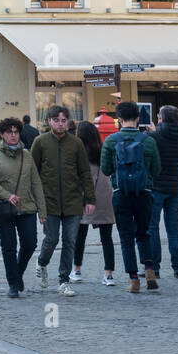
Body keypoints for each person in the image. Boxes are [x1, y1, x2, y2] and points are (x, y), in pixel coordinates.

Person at [30, 105, 96, 297]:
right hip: (48, 201)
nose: (60, 124)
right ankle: (42, 263)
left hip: (73, 201)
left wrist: (90, 199)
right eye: (57, 120)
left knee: (69, 241)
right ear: (49, 121)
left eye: (63, 120)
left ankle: (64, 280)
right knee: (51, 239)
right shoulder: (40, 142)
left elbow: (85, 172)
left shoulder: (76, 144)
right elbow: (32, 172)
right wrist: (35, 199)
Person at [101, 100, 162, 293]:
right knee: (144, 233)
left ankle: (134, 280)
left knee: (126, 238)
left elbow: (106, 169)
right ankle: (150, 270)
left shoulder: (111, 141)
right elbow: (157, 170)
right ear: (137, 118)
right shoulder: (149, 141)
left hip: (121, 194)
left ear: (119, 119)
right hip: (144, 193)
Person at [0, 117, 46, 298]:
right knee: (9, 247)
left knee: (30, 243)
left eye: (16, 132)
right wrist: (7, 195)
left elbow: (36, 184)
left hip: (26, 207)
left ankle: (17, 273)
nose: (13, 135)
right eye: (9, 132)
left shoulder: (27, 156)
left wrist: (43, 210)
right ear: (1, 135)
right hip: (3, 208)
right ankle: (13, 283)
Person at [73, 121, 117, 286]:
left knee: (80, 237)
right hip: (105, 198)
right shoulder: (103, 151)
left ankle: (76, 269)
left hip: (85, 198)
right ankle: (108, 274)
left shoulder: (79, 153)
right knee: (107, 238)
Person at [147, 105, 178, 280]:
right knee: (173, 228)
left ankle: (155, 267)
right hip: (175, 188)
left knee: (153, 227)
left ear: (161, 119)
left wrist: (153, 132)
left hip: (157, 186)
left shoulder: (154, 136)